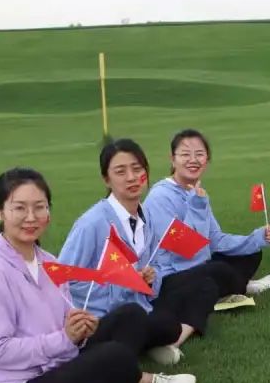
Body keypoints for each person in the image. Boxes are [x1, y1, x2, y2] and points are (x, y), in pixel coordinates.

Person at [0, 168, 197, 383]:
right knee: (113, 356)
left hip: (54, 365)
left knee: (129, 315)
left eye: (39, 207)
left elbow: (63, 326)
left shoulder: (48, 262)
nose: (31, 217)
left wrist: (80, 329)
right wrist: (65, 339)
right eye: (19, 208)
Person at [59, 138, 216, 365]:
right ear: (106, 179)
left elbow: (153, 267)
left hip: (141, 306)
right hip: (103, 319)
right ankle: (130, 351)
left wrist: (150, 278)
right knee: (135, 316)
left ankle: (162, 343)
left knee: (200, 288)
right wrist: (125, 282)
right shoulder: (92, 223)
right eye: (120, 172)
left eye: (137, 169)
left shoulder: (146, 216)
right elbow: (65, 281)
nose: (132, 177)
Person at [144, 128, 270, 310]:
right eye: (185, 154)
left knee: (250, 252)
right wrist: (197, 205)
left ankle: (230, 288)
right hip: (171, 274)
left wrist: (255, 238)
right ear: (173, 159)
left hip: (198, 263)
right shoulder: (160, 197)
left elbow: (215, 239)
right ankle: (236, 287)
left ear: (207, 159)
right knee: (218, 271)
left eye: (199, 154)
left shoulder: (196, 192)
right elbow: (184, 251)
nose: (193, 160)